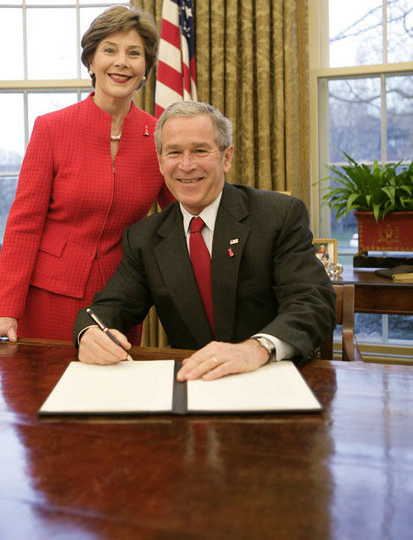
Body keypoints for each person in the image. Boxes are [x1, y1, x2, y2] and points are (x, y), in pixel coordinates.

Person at [0, 5, 173, 347]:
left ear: (145, 68)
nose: (122, 62)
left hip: (121, 299)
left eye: (134, 53)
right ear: (91, 61)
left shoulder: (161, 136)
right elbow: (24, 224)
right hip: (48, 297)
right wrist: (5, 311)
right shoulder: (52, 128)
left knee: (116, 397)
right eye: (109, 50)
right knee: (43, 394)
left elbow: (185, 214)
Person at [74, 101, 336, 380]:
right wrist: (89, 332)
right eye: (174, 152)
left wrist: (257, 348)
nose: (186, 165)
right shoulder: (144, 238)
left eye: (200, 151)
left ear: (226, 157)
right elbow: (108, 308)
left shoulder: (278, 216)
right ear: (161, 161)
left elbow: (313, 303)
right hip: (193, 385)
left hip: (268, 377)